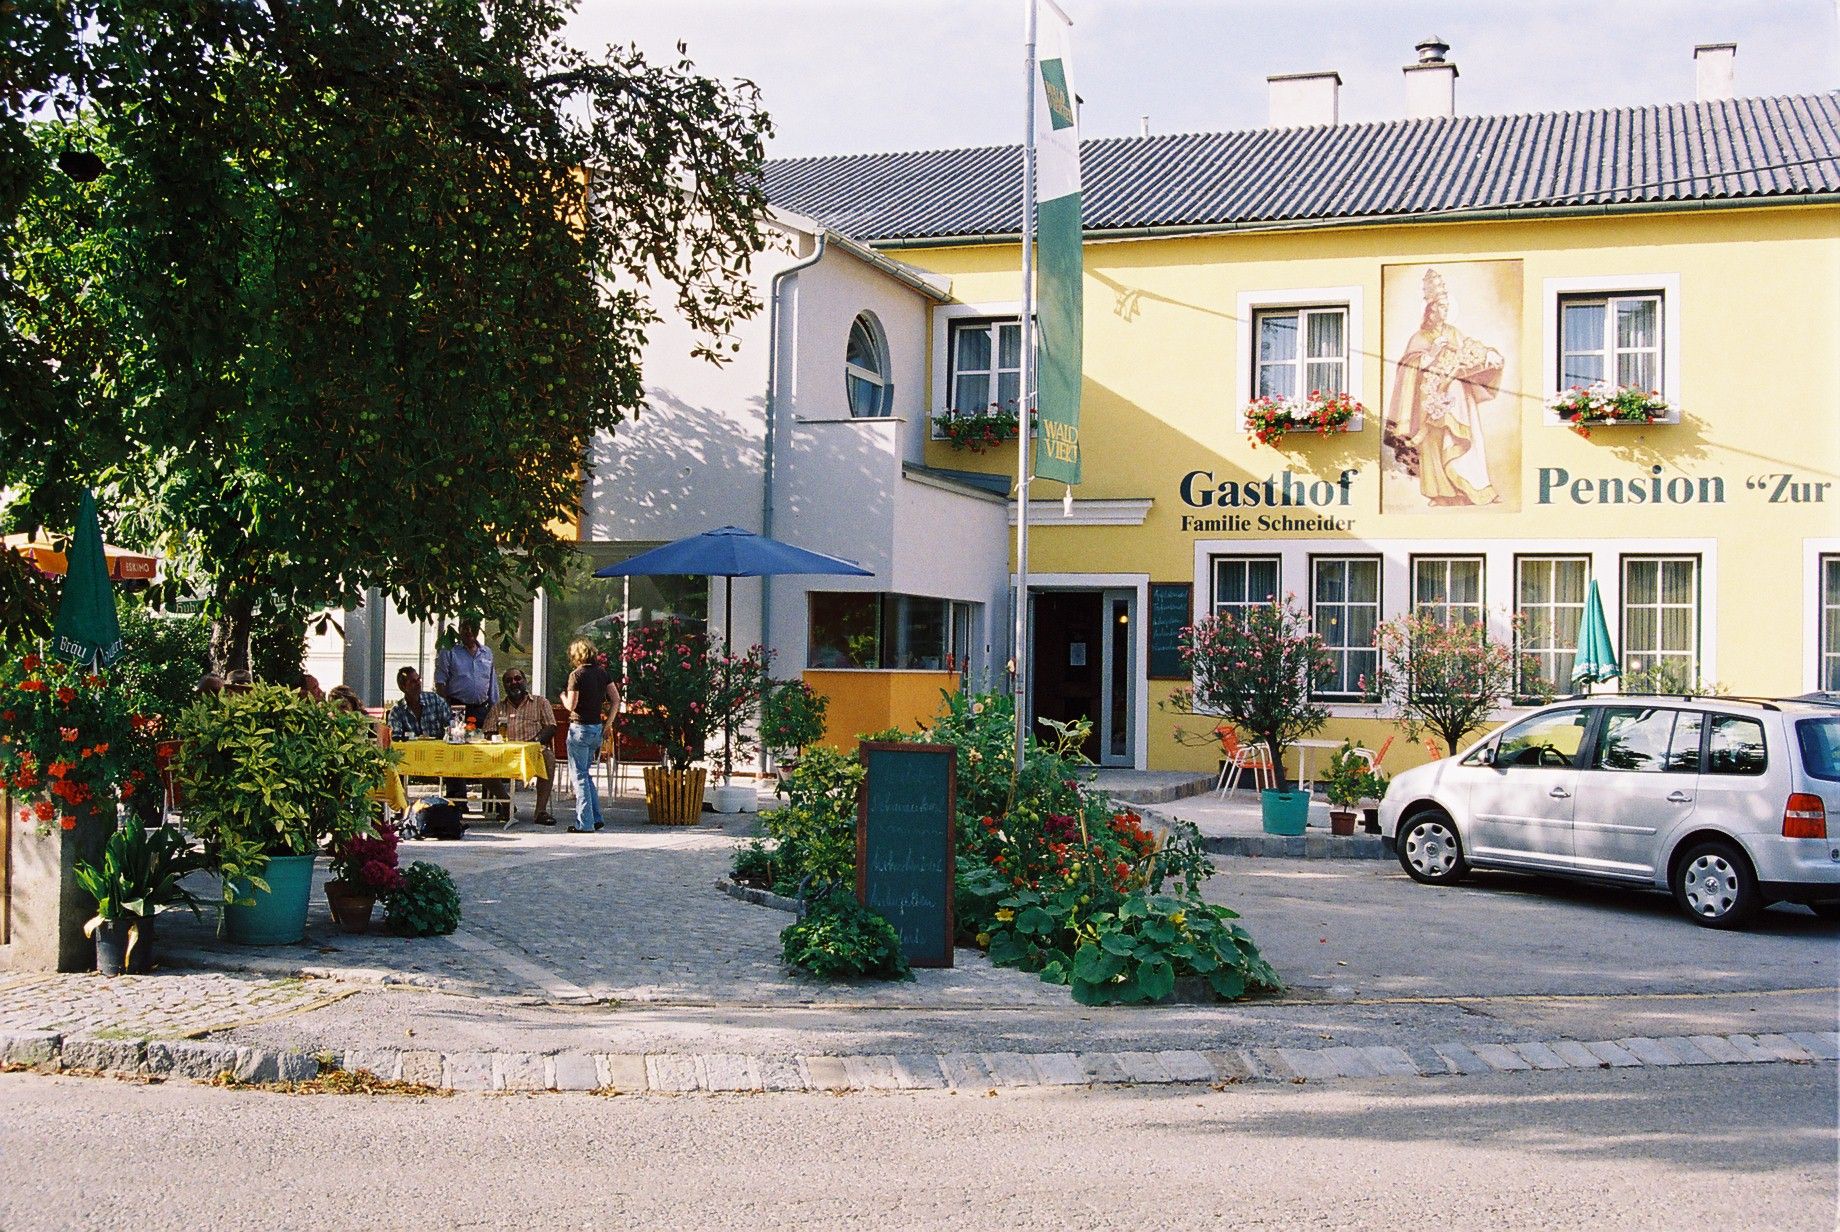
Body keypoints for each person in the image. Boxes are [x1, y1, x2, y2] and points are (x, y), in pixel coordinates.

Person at [1384, 267, 1505, 507]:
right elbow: (1408, 365)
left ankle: (1472, 490)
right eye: (1440, 305)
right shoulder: (1418, 337)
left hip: (1456, 399)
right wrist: (1432, 353)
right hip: (1428, 402)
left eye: (1446, 305)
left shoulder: (1453, 332)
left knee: (1457, 439)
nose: (1445, 309)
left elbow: (1471, 349)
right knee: (1431, 443)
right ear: (1430, 310)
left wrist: (1489, 353)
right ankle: (1440, 493)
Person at [435, 619, 498, 810]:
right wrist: (447, 708)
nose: (469, 631)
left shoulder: (487, 653)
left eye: (472, 627)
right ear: (459, 630)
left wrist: (494, 710)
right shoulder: (450, 652)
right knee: (456, 754)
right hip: (457, 708)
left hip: (481, 709)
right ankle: (457, 802)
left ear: (479, 628)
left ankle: (493, 803)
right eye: (464, 627)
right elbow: (440, 682)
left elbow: (492, 684)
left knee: (486, 753)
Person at [559, 638, 620, 833]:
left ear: (576, 656)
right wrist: (608, 724)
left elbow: (571, 705)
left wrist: (562, 696)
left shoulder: (576, 675)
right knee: (586, 774)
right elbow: (616, 699)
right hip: (596, 728)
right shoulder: (602, 673)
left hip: (579, 728)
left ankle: (584, 823)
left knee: (579, 776)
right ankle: (596, 817)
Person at [485, 668, 558, 825]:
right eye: (509, 681)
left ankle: (540, 812)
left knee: (549, 758)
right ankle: (507, 805)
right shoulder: (498, 707)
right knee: (480, 762)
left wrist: (534, 742)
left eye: (517, 679)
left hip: (533, 752)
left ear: (525, 681)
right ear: (504, 685)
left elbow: (551, 727)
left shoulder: (540, 702)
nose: (514, 683)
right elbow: (488, 731)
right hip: (504, 754)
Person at [388, 665, 453, 740]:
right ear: (403, 687)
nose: (418, 683)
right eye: (413, 682)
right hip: (410, 750)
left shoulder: (436, 700)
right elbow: (395, 738)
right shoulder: (397, 711)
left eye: (419, 679)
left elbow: (451, 726)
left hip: (439, 749)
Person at [328, 684, 390, 748]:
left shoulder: (370, 724)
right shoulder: (328, 726)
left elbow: (382, 747)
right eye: (334, 708)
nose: (339, 712)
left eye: (343, 707)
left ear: (354, 706)